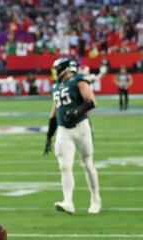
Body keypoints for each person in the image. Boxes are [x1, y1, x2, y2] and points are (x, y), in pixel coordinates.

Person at [44, 57, 102, 215]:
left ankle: (95, 199)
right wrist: (49, 136)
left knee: (87, 164)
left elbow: (92, 101)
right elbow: (54, 112)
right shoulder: (56, 86)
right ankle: (68, 201)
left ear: (64, 68)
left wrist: (76, 111)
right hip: (63, 130)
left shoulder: (79, 79)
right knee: (64, 166)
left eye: (56, 69)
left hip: (81, 127)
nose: (54, 72)